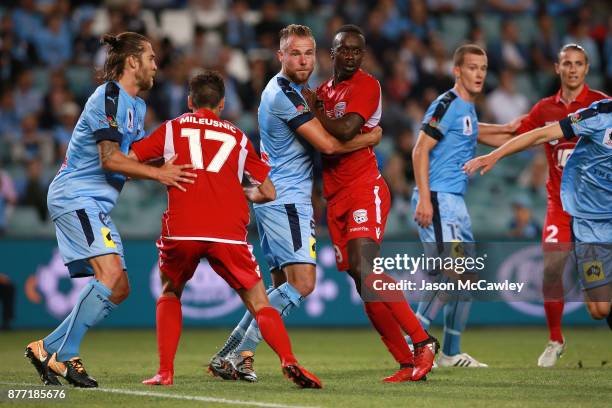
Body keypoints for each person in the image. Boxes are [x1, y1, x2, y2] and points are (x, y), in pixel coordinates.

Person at [208, 24, 381, 382]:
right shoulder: (284, 94)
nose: (303, 60)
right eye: (294, 53)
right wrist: (372, 137)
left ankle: (229, 353)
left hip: (277, 196)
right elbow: (330, 146)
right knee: (302, 283)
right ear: (281, 56)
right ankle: (241, 354)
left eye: (308, 53)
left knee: (276, 288)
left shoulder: (293, 91)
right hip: (285, 198)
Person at [24, 32, 195, 388]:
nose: (155, 65)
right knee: (110, 274)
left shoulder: (138, 106)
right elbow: (109, 159)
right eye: (150, 57)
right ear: (132, 62)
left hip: (95, 204)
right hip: (76, 196)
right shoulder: (109, 97)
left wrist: (163, 162)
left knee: (120, 287)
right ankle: (61, 353)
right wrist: (159, 173)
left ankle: (52, 349)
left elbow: (126, 163)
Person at [134, 71, 322, 389]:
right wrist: (249, 193)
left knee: (170, 293)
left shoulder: (173, 128)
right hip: (228, 232)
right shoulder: (237, 136)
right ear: (222, 104)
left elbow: (130, 159)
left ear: (190, 101)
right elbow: (269, 190)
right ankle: (289, 360)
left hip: (183, 229)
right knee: (261, 303)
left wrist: (157, 172)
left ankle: (165, 372)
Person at [301, 24, 438, 382]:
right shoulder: (322, 91)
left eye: (356, 51)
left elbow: (345, 130)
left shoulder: (366, 85)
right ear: (330, 54)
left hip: (365, 188)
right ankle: (407, 363)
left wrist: (315, 111)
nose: (350, 56)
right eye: (344, 50)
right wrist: (317, 108)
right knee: (363, 283)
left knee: (366, 267)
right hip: (334, 198)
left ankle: (423, 342)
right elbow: (320, 140)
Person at [411, 44, 520, 368]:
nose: (479, 74)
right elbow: (420, 149)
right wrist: (426, 198)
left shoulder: (468, 109)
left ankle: (450, 352)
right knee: (454, 275)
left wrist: (523, 131)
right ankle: (412, 341)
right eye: (472, 67)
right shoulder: (448, 104)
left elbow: (479, 134)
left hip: (454, 203)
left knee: (465, 279)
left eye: (483, 68)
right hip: (439, 199)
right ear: (457, 71)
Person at [464, 98, 612, 330]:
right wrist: (496, 155)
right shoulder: (600, 115)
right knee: (599, 309)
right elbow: (540, 135)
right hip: (590, 220)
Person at [512, 43, 608, 367]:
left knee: (599, 309)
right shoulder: (543, 109)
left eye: (578, 63)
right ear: (557, 68)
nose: (572, 69)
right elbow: (519, 135)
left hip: (594, 208)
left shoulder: (600, 105)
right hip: (559, 206)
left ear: (587, 68)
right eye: (567, 63)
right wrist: (472, 136)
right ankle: (555, 340)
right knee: (552, 267)